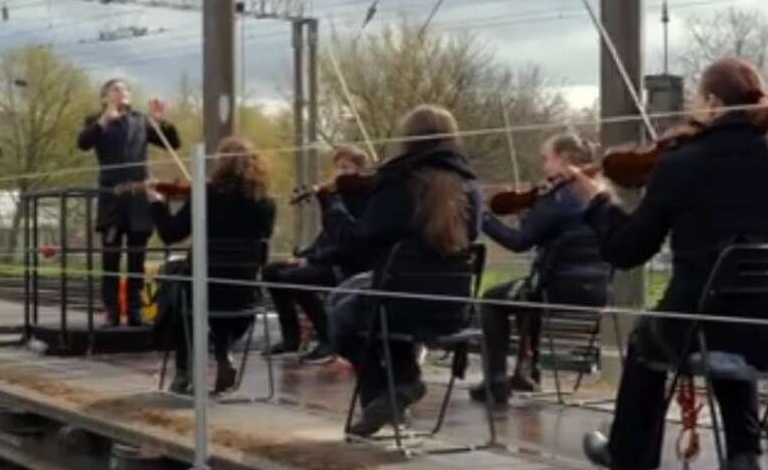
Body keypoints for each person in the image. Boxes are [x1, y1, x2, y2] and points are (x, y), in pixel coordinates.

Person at [567, 58, 768, 470]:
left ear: (713, 103)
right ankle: (742, 458)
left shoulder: (682, 163)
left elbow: (628, 250)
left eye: (699, 101)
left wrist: (599, 203)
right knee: (732, 326)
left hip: (699, 322)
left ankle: (626, 457)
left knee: (647, 338)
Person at [322, 105, 483, 437]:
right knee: (365, 300)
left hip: (398, 304)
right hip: (453, 309)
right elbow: (474, 236)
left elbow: (358, 242)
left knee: (340, 317)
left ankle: (387, 395)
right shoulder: (470, 186)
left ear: (408, 139)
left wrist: (334, 206)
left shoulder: (399, 183)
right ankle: (396, 393)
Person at [472, 132, 611, 405]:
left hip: (558, 290)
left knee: (491, 299)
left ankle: (496, 380)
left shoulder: (558, 200)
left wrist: (484, 218)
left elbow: (519, 242)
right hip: (599, 290)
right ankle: (527, 370)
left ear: (563, 160)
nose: (544, 168)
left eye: (547, 159)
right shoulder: (601, 195)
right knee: (528, 291)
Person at [146, 136, 277, 396]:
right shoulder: (266, 202)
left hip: (201, 291)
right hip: (243, 293)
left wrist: (157, 203)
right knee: (217, 288)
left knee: (178, 289)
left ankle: (184, 371)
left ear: (220, 165)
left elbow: (171, 234)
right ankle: (223, 352)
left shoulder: (205, 195)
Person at [77, 79, 180, 326]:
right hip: (112, 197)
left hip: (138, 198)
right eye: (116, 89)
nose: (123, 93)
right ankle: (112, 311)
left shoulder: (141, 120)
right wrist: (104, 120)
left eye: (126, 90)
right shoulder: (96, 121)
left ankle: (135, 311)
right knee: (110, 257)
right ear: (105, 97)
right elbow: (83, 143)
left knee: (137, 258)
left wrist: (161, 120)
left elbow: (173, 143)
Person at [261, 145, 374, 364]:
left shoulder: (362, 199)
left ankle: (328, 339)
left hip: (349, 265)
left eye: (346, 167)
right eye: (338, 168)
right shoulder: (338, 197)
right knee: (271, 271)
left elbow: (346, 243)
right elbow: (328, 235)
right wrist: (306, 254)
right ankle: (290, 338)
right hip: (331, 258)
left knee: (293, 279)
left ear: (360, 171)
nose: (340, 173)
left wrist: (311, 259)